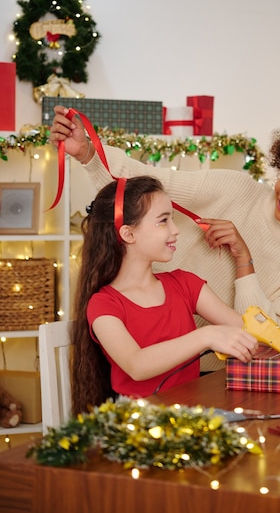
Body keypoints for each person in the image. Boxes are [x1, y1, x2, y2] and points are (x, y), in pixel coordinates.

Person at [51, 107, 280, 369]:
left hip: (210, 375)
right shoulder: (235, 188)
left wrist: (244, 261)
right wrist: (89, 156)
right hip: (137, 348)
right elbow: (153, 183)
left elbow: (266, 339)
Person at [72, 175, 259, 414]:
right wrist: (205, 336)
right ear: (128, 234)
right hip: (138, 422)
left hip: (191, 412)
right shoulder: (103, 304)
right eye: (163, 221)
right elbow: (136, 365)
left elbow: (245, 327)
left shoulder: (185, 284)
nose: (176, 230)